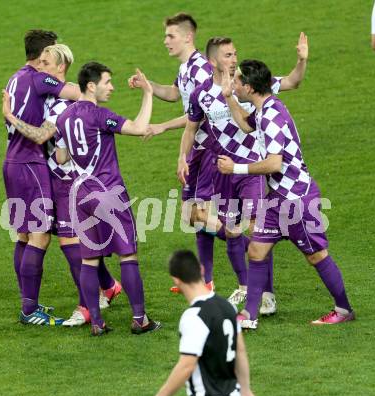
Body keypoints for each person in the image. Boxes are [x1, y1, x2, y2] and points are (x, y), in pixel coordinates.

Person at [217, 59, 354, 328]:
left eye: (237, 81)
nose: (233, 83)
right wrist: (228, 98)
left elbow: (274, 163)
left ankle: (344, 309)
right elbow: (246, 125)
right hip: (277, 197)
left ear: (250, 87)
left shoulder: (271, 116)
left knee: (316, 255)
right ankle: (249, 315)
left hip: (297, 199)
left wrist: (236, 168)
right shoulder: (263, 109)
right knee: (256, 250)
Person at [181, 34, 308, 315]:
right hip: (224, 170)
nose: (234, 59)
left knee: (257, 230)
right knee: (233, 231)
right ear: (213, 61)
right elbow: (191, 129)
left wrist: (301, 59)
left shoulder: (248, 84)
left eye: (235, 53)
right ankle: (246, 286)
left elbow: (292, 81)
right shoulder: (201, 92)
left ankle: (267, 296)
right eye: (228, 55)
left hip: (251, 168)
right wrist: (182, 158)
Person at [2, 44, 121, 327]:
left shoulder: (61, 104)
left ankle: (86, 306)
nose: (39, 67)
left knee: (71, 242)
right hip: (53, 179)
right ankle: (108, 286)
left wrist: (10, 117)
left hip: (68, 181)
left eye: (46, 62)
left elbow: (43, 136)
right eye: (40, 61)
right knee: (68, 239)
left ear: (60, 68)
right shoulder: (52, 95)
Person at [55, 62, 161, 336]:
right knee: (128, 255)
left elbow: (60, 157)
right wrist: (147, 93)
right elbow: (139, 128)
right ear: (91, 85)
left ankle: (98, 324)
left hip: (81, 196)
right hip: (109, 192)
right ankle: (140, 319)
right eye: (107, 82)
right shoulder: (100, 115)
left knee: (89, 260)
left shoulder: (64, 117)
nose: (111, 87)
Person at [128, 13, 219, 294]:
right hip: (196, 149)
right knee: (192, 214)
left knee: (198, 213)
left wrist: (161, 127)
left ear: (187, 37)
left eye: (170, 36)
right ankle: (206, 279)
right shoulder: (185, 68)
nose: (165, 41)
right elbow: (174, 94)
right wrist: (149, 87)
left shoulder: (201, 69)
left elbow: (199, 116)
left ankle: (241, 239)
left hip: (211, 148)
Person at [3, 29, 80, 326]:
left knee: (23, 234)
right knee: (40, 235)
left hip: (11, 160)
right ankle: (29, 309)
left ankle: (28, 303)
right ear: (44, 54)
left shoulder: (16, 77)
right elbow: (73, 91)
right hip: (30, 163)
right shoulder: (38, 76)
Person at [143, 250, 260, 396]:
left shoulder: (194, 316)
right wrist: (245, 391)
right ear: (202, 270)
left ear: (176, 280)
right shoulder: (227, 306)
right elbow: (240, 351)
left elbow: (186, 365)